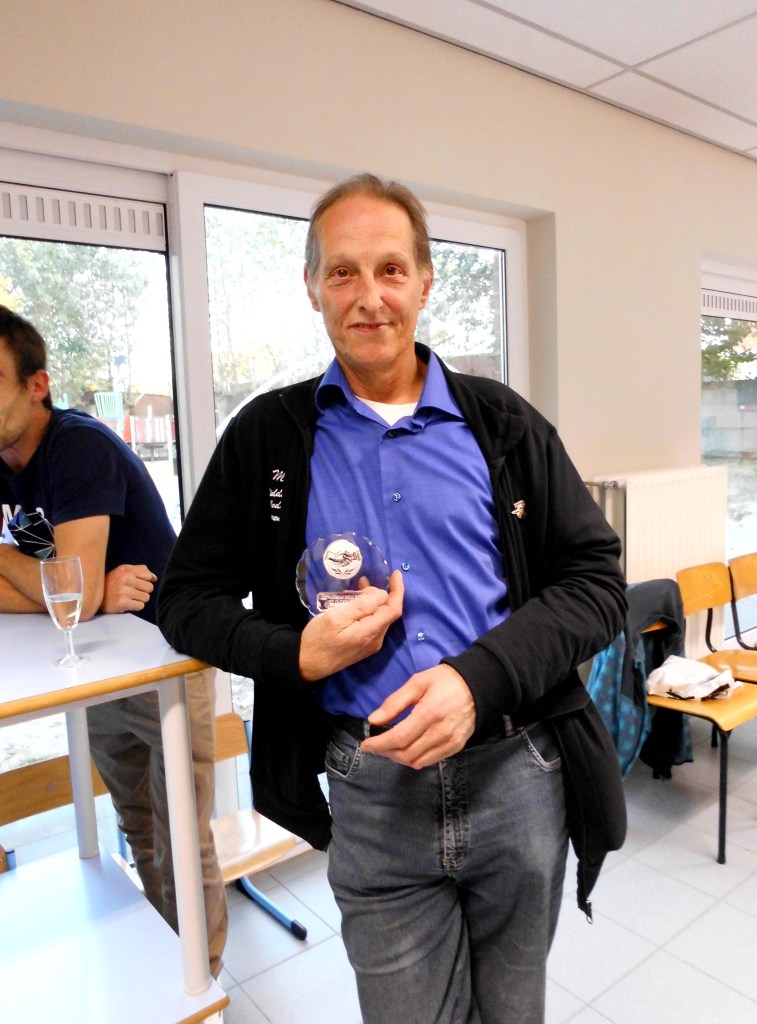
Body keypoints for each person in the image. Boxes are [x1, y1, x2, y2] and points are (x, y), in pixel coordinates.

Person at [157, 173, 628, 1023]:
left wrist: (478, 680)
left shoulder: (504, 424)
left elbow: (596, 583)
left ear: (424, 282)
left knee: (514, 1013)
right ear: (312, 287)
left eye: (390, 270)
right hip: (370, 789)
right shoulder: (267, 438)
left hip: (518, 777)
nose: (368, 296)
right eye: (343, 272)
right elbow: (185, 600)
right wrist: (293, 653)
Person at [0, 304, 227, 978]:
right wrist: (79, 590)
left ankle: (203, 986)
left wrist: (43, 577)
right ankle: (166, 966)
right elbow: (74, 594)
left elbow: (70, 593)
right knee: (137, 826)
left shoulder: (78, 447)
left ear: (36, 385)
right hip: (100, 662)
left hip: (166, 660)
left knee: (183, 839)